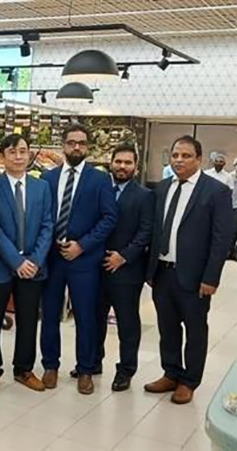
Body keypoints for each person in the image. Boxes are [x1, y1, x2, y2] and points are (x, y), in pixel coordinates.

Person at [144, 136, 233, 405]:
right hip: (162, 273)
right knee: (167, 328)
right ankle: (171, 373)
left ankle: (189, 381)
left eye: (186, 156)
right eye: (175, 155)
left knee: (195, 331)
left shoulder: (216, 191)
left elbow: (222, 239)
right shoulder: (161, 189)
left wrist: (211, 277)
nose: (179, 160)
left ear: (199, 159)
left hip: (195, 277)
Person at [40, 123, 118, 395]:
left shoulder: (100, 180)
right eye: (71, 142)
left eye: (81, 143)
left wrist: (82, 245)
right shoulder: (47, 178)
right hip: (52, 258)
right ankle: (50, 366)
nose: (76, 147)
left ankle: (85, 369)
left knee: (86, 317)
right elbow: (42, 216)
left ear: (88, 147)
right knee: (49, 314)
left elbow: (109, 218)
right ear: (63, 145)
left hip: (84, 260)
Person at [0, 134, 53, 393]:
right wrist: (16, 260)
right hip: (0, 265)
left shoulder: (41, 187)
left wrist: (34, 260)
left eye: (23, 151)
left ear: (29, 154)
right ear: (2, 157)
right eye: (12, 152)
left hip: (33, 267)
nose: (19, 156)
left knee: (29, 319)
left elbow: (47, 225)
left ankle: (24, 369)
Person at [89, 144, 153, 392]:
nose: (122, 166)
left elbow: (146, 231)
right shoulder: (100, 189)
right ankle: (94, 361)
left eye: (128, 162)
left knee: (127, 324)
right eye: (118, 161)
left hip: (127, 271)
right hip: (96, 267)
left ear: (135, 166)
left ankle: (126, 370)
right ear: (110, 162)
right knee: (95, 319)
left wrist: (123, 256)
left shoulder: (145, 196)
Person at [230, 158, 237, 260]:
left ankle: (236, 251)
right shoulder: (230, 176)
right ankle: (230, 251)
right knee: (233, 230)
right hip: (233, 207)